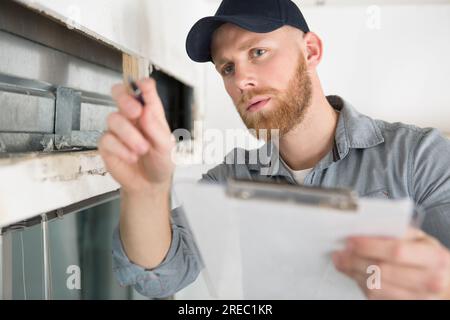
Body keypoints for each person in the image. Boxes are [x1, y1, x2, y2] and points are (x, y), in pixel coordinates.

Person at [99, 0, 450, 299]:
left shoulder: (420, 157)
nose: (240, 81)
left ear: (310, 51)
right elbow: (160, 274)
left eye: (258, 52)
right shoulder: (231, 180)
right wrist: (146, 191)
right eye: (227, 68)